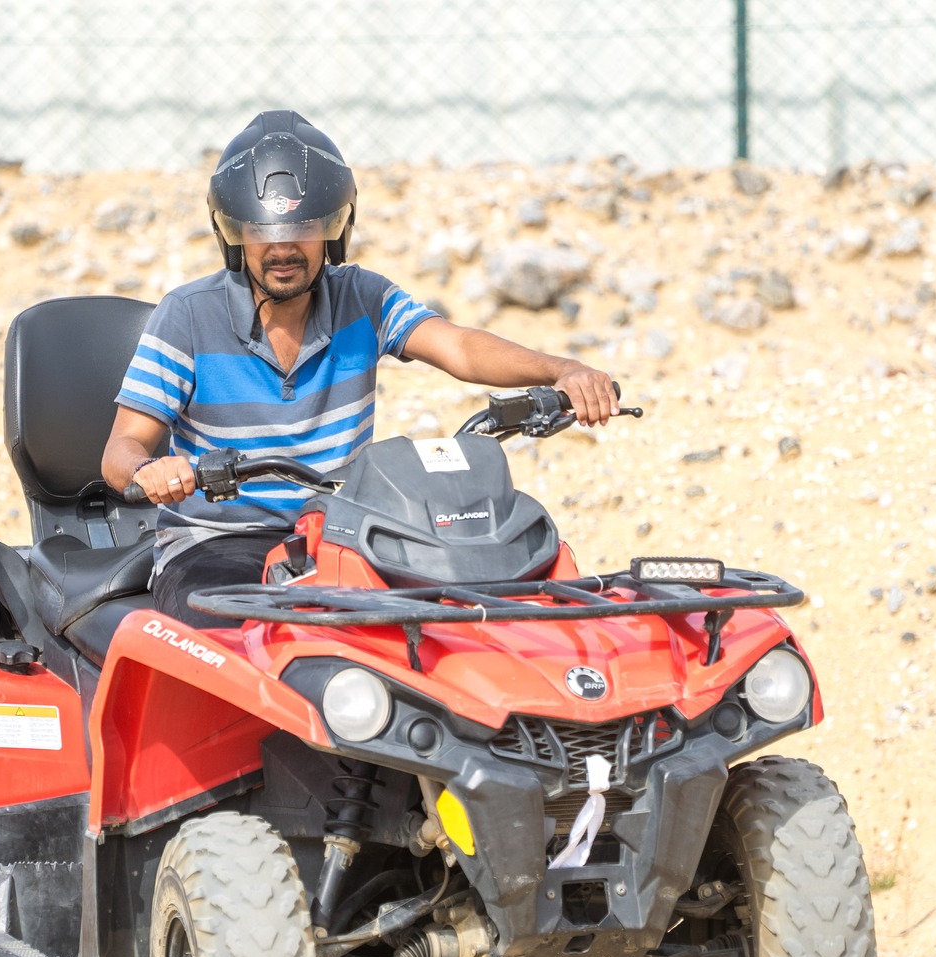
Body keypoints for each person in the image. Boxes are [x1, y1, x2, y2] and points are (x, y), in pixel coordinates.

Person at [100, 110, 619, 629]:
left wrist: (561, 370)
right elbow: (121, 450)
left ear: (334, 228)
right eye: (262, 231)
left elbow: (459, 347)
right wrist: (152, 470)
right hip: (218, 542)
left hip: (341, 531)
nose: (283, 249)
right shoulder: (188, 315)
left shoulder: (362, 298)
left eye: (305, 227)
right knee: (229, 655)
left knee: (444, 629)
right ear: (233, 234)